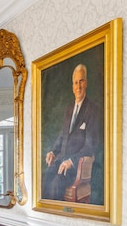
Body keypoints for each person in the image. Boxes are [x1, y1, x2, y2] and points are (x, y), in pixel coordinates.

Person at [42, 64, 100, 201]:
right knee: (44, 177)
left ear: (86, 83)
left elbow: (90, 146)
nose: (78, 86)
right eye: (75, 82)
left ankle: (56, 219)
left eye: (81, 81)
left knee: (56, 183)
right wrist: (53, 152)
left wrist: (71, 161)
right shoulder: (68, 109)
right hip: (61, 159)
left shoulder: (93, 109)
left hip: (76, 165)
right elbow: (63, 135)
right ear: (72, 86)